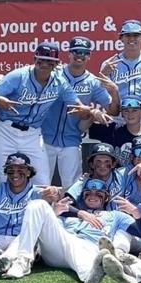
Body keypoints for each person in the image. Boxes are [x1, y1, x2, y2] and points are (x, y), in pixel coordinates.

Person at [0, 178, 141, 283]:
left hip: (89, 247)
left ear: (106, 197)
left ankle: (95, 275)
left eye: (98, 194)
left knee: (87, 258)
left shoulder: (115, 215)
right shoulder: (67, 211)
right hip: (60, 245)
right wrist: (54, 213)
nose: (93, 196)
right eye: (88, 193)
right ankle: (20, 260)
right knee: (37, 205)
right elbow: (44, 229)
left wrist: (136, 213)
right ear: (82, 196)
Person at [0, 42, 97, 186]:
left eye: (49, 61)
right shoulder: (19, 76)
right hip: (5, 130)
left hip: (33, 134)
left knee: (42, 179)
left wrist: (88, 111)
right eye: (40, 60)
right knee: (1, 175)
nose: (44, 64)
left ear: (56, 64)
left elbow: (76, 104)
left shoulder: (59, 83)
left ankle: (37, 202)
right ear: (34, 59)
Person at [42, 36, 117, 187]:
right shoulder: (55, 74)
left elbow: (112, 110)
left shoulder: (93, 82)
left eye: (84, 52)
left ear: (89, 56)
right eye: (76, 51)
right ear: (69, 53)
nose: (79, 56)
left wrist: (114, 92)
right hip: (44, 138)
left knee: (72, 185)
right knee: (41, 183)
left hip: (71, 139)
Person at [93, 19, 141, 140]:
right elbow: (103, 99)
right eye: (128, 35)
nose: (132, 38)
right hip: (119, 117)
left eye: (136, 35)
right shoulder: (110, 64)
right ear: (121, 38)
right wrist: (103, 74)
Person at [64, 142, 128, 207]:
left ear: (113, 164)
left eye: (107, 161)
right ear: (91, 164)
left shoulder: (122, 174)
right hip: (91, 213)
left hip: (119, 213)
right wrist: (79, 212)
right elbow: (65, 204)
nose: (102, 165)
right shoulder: (84, 182)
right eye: (98, 161)